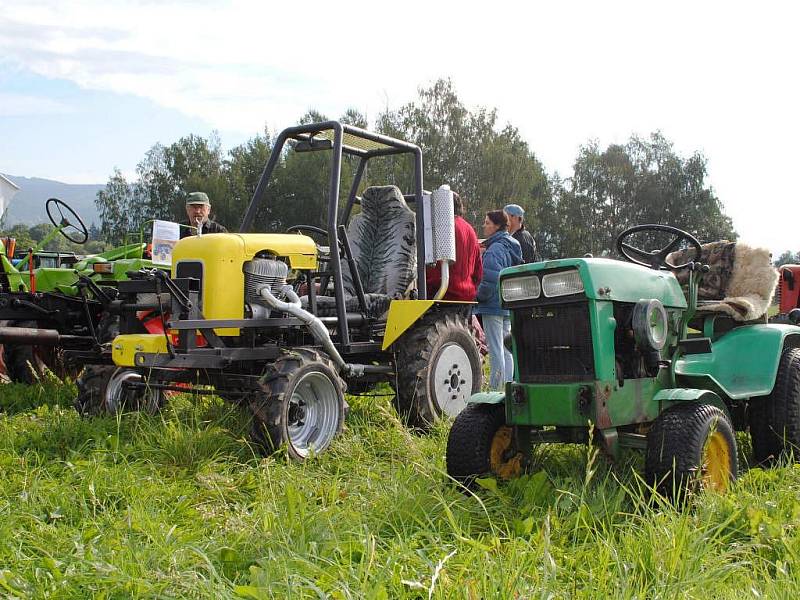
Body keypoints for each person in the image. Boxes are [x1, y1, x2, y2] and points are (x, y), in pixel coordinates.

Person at [474, 210, 522, 389]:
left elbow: (490, 279)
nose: (484, 226)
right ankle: (509, 386)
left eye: (487, 223)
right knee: (507, 348)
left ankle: (496, 388)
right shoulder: (513, 245)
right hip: (508, 303)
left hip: (492, 305)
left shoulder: (494, 250)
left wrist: (479, 296)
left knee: (495, 350)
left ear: (496, 226)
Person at [425, 191, 483, 301]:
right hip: (466, 296)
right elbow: (478, 270)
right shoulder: (469, 229)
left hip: (443, 295)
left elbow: (434, 268)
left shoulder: (440, 228)